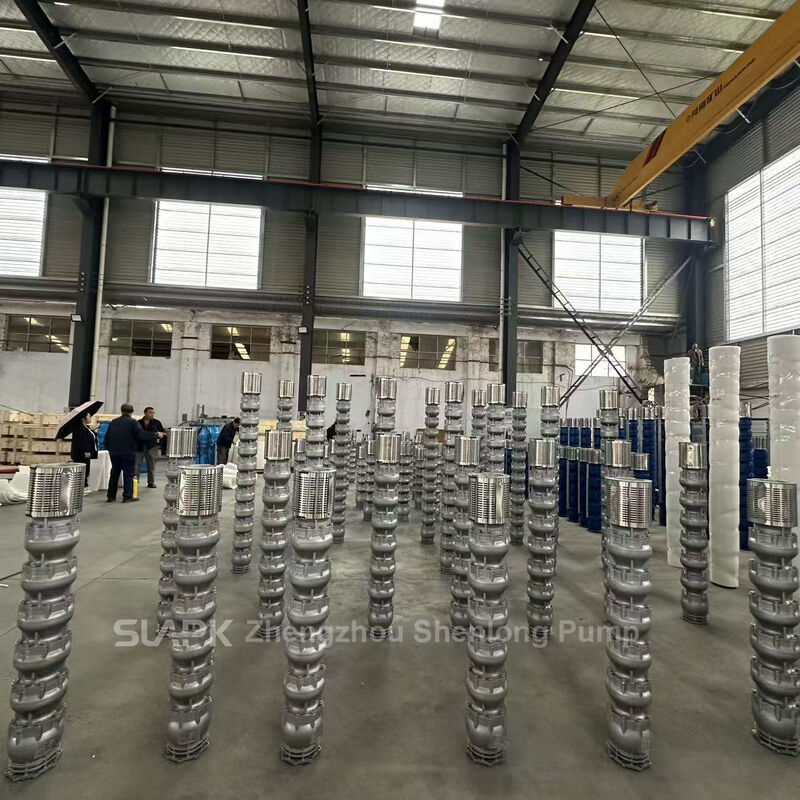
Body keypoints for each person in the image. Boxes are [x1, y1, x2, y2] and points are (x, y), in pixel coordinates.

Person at [105, 403, 164, 503]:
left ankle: (111, 496)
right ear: (132, 411)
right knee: (128, 474)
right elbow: (142, 435)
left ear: (121, 410)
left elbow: (107, 438)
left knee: (114, 473)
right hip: (128, 452)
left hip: (114, 453)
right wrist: (156, 435)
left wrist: (110, 449)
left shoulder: (113, 422)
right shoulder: (133, 423)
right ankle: (127, 496)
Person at [135, 406, 165, 488]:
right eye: (150, 413)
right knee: (136, 465)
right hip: (140, 446)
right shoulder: (138, 423)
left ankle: (151, 482)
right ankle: (135, 483)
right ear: (145, 413)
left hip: (152, 447)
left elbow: (162, 434)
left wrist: (160, 447)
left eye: (153, 413)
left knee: (151, 465)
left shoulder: (157, 423)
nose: (152, 414)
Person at [70, 411, 98, 491]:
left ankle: (83, 485)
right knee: (82, 471)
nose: (90, 418)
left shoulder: (86, 427)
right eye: (89, 416)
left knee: (86, 470)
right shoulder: (79, 428)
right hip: (82, 454)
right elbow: (81, 441)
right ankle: (81, 487)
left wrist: (94, 432)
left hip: (88, 453)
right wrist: (85, 451)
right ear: (83, 419)